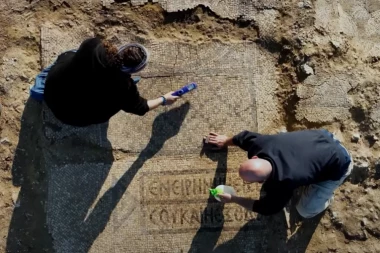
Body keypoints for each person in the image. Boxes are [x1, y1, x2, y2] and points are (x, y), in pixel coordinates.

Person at [30, 37, 179, 126]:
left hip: (52, 93)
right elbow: (141, 107)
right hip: (72, 118)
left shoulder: (93, 46)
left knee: (72, 54)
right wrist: (164, 99)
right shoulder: (125, 88)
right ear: (133, 71)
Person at [204, 129, 353, 218]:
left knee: (304, 211)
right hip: (324, 137)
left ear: (261, 181)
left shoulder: (283, 183)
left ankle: (325, 196)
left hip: (340, 162)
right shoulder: (262, 144)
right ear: (255, 157)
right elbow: (242, 137)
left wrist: (234, 199)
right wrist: (225, 141)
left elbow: (267, 208)